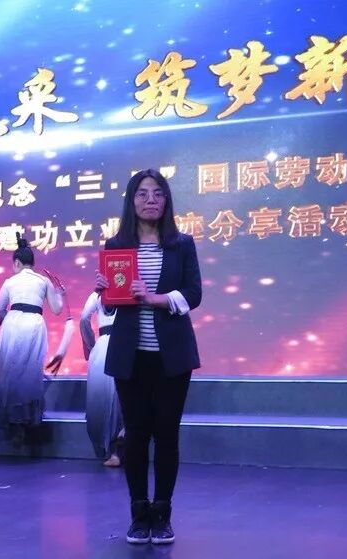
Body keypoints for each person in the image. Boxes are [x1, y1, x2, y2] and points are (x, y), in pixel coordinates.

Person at [95, 168, 202, 545]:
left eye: (158, 193)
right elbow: (111, 308)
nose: (151, 200)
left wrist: (156, 299)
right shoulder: (115, 246)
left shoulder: (182, 244)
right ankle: (139, 514)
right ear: (132, 201)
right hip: (131, 356)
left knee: (167, 437)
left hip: (172, 357)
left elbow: (193, 294)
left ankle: (163, 513)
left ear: (166, 200)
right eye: (142, 193)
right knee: (137, 437)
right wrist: (104, 293)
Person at [0, 232, 64, 440]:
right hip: (34, 324)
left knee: (9, 372)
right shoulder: (43, 280)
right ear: (32, 263)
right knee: (29, 372)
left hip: (12, 323)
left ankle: (12, 421)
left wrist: (4, 327)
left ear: (16, 262)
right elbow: (57, 309)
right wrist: (60, 294)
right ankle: (25, 419)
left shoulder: (10, 281)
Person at [80, 291, 123, 467]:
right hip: (125, 343)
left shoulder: (96, 294)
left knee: (103, 400)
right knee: (122, 399)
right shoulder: (128, 290)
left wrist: (91, 345)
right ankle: (120, 447)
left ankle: (110, 450)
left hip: (102, 347)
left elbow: (84, 318)